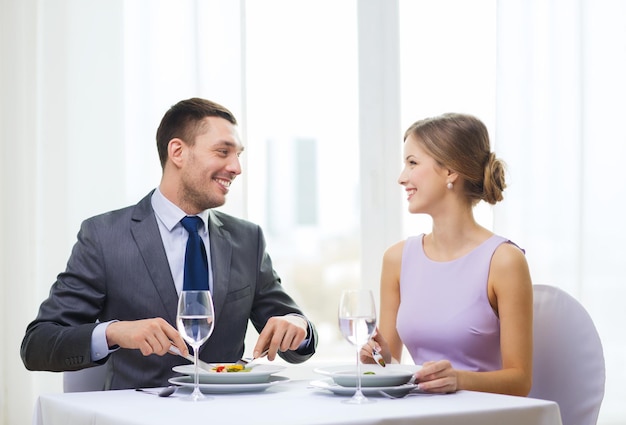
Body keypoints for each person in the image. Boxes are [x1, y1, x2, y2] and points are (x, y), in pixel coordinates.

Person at [21, 97, 317, 390]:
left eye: (238, 154)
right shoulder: (104, 236)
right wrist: (114, 332)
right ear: (177, 151)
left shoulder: (247, 239)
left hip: (229, 415)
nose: (236, 167)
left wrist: (298, 327)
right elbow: (38, 344)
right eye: (223, 151)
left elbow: (291, 331)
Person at [362, 113, 533, 396]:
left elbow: (520, 381)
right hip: (419, 414)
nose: (402, 178)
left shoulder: (504, 261)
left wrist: (459, 379)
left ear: (450, 172)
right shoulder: (396, 259)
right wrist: (377, 359)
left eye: (412, 163)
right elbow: (390, 364)